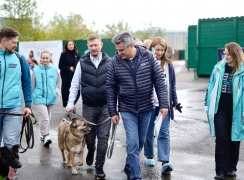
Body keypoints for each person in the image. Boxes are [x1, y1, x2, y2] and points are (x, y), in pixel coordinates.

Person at [106, 31, 169, 180]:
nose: (118, 52)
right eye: (117, 49)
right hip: (127, 109)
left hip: (147, 108)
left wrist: (164, 105)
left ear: (131, 45)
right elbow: (110, 86)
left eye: (121, 50)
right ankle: (135, 176)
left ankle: (129, 165)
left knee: (140, 142)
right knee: (133, 142)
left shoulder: (148, 57)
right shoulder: (115, 61)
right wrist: (112, 111)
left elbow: (159, 80)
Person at [65, 34, 112, 180]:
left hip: (106, 106)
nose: (93, 48)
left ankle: (99, 168)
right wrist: (70, 104)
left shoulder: (110, 62)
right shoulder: (82, 62)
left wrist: (116, 104)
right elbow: (74, 85)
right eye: (90, 45)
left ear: (101, 45)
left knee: (103, 138)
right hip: (89, 106)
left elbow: (116, 85)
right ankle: (91, 151)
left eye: (96, 45)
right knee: (90, 139)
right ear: (88, 46)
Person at [204, 42, 244, 180]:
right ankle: (221, 170)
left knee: (234, 138)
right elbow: (210, 87)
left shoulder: (242, 71)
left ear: (235, 54)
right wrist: (207, 106)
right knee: (222, 138)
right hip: (220, 109)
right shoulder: (218, 68)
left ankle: (231, 168)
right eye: (225, 53)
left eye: (228, 54)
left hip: (236, 110)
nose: (225, 56)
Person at [143, 37, 179, 175]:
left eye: (162, 50)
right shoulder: (146, 62)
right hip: (149, 103)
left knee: (164, 132)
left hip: (164, 104)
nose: (159, 52)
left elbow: (172, 85)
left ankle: (165, 161)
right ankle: (149, 156)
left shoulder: (168, 64)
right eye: (157, 49)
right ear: (152, 48)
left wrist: (174, 101)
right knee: (148, 131)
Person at [0, 27, 32, 155]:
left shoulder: (20, 58)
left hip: (13, 109)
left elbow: (26, 83)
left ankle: (11, 175)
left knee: (11, 143)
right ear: (4, 40)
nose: (16, 45)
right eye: (14, 42)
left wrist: (28, 105)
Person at [31, 50, 61, 146]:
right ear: (40, 58)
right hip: (39, 98)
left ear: (50, 58)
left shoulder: (55, 69)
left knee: (46, 117)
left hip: (51, 98)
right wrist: (32, 95)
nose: (45, 60)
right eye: (43, 58)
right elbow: (32, 84)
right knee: (45, 117)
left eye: (47, 58)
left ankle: (42, 135)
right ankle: (46, 136)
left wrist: (56, 91)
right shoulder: (35, 70)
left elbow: (58, 82)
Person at [59, 40, 80, 109]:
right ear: (66, 46)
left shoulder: (76, 53)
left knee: (77, 92)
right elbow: (60, 66)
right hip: (66, 76)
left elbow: (79, 64)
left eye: (72, 44)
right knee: (66, 92)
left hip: (75, 75)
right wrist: (69, 68)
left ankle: (72, 105)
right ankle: (67, 106)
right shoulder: (63, 54)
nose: (71, 46)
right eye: (69, 45)